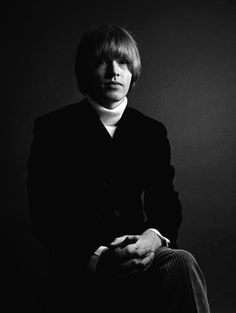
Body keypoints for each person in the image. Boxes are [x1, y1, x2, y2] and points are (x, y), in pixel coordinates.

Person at [27, 24, 211, 312]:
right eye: (103, 61)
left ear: (132, 71)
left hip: (141, 255)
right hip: (80, 262)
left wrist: (152, 239)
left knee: (181, 262)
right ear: (85, 70)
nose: (114, 71)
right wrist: (99, 256)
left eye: (123, 62)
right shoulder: (53, 128)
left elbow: (165, 201)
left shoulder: (151, 131)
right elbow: (43, 213)